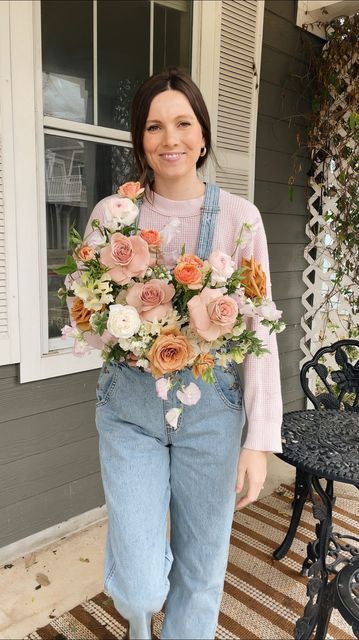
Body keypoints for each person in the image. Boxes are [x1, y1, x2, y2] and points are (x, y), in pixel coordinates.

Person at [86, 68, 283, 640]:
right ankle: (139, 608)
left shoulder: (239, 220)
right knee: (144, 583)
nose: (169, 139)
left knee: (201, 571)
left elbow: (260, 328)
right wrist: (123, 323)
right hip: (130, 409)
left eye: (182, 123)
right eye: (153, 126)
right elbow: (92, 323)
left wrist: (258, 440)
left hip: (212, 413)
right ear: (139, 141)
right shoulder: (112, 215)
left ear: (202, 136)